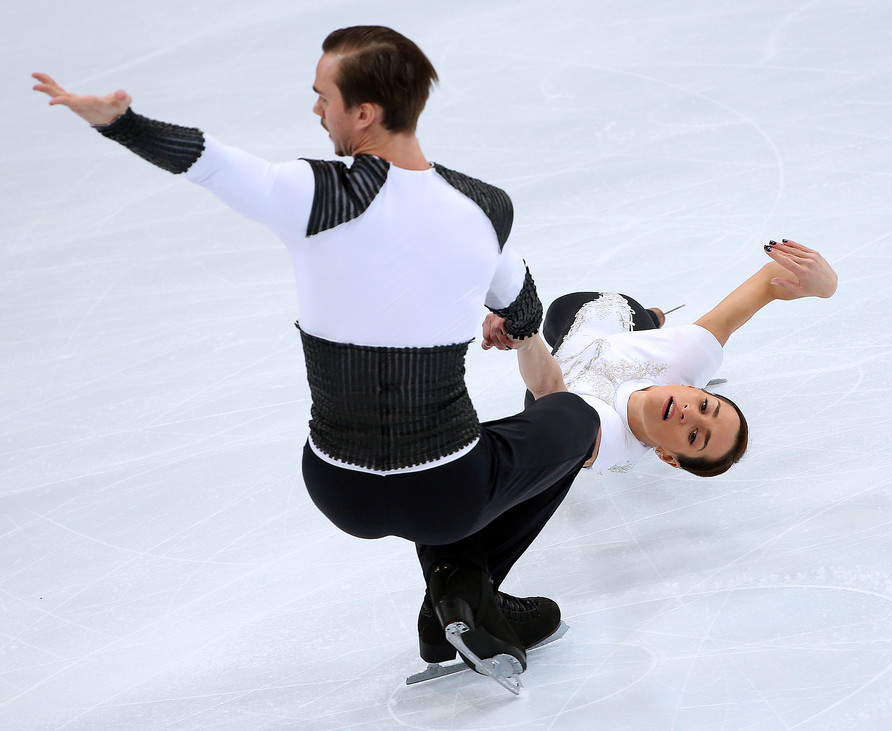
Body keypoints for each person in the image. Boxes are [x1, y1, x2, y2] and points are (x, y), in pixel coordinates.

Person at [32, 25, 599, 694]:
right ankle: (468, 588)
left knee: (454, 453)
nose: (315, 110)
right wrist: (546, 392)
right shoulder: (484, 209)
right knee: (570, 420)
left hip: (338, 484)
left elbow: (209, 160)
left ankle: (457, 597)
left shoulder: (314, 195)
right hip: (446, 492)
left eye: (322, 96)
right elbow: (527, 321)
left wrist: (121, 124)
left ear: (364, 113)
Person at [482, 239, 838, 476]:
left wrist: (524, 335)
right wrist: (826, 285)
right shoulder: (686, 360)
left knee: (541, 409)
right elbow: (771, 280)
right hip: (606, 324)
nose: (688, 414)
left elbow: (548, 389)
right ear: (698, 389)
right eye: (703, 406)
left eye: (695, 436)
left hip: (554, 387)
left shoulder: (609, 443)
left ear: (668, 457)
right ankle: (651, 319)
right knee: (563, 311)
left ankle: (650, 322)